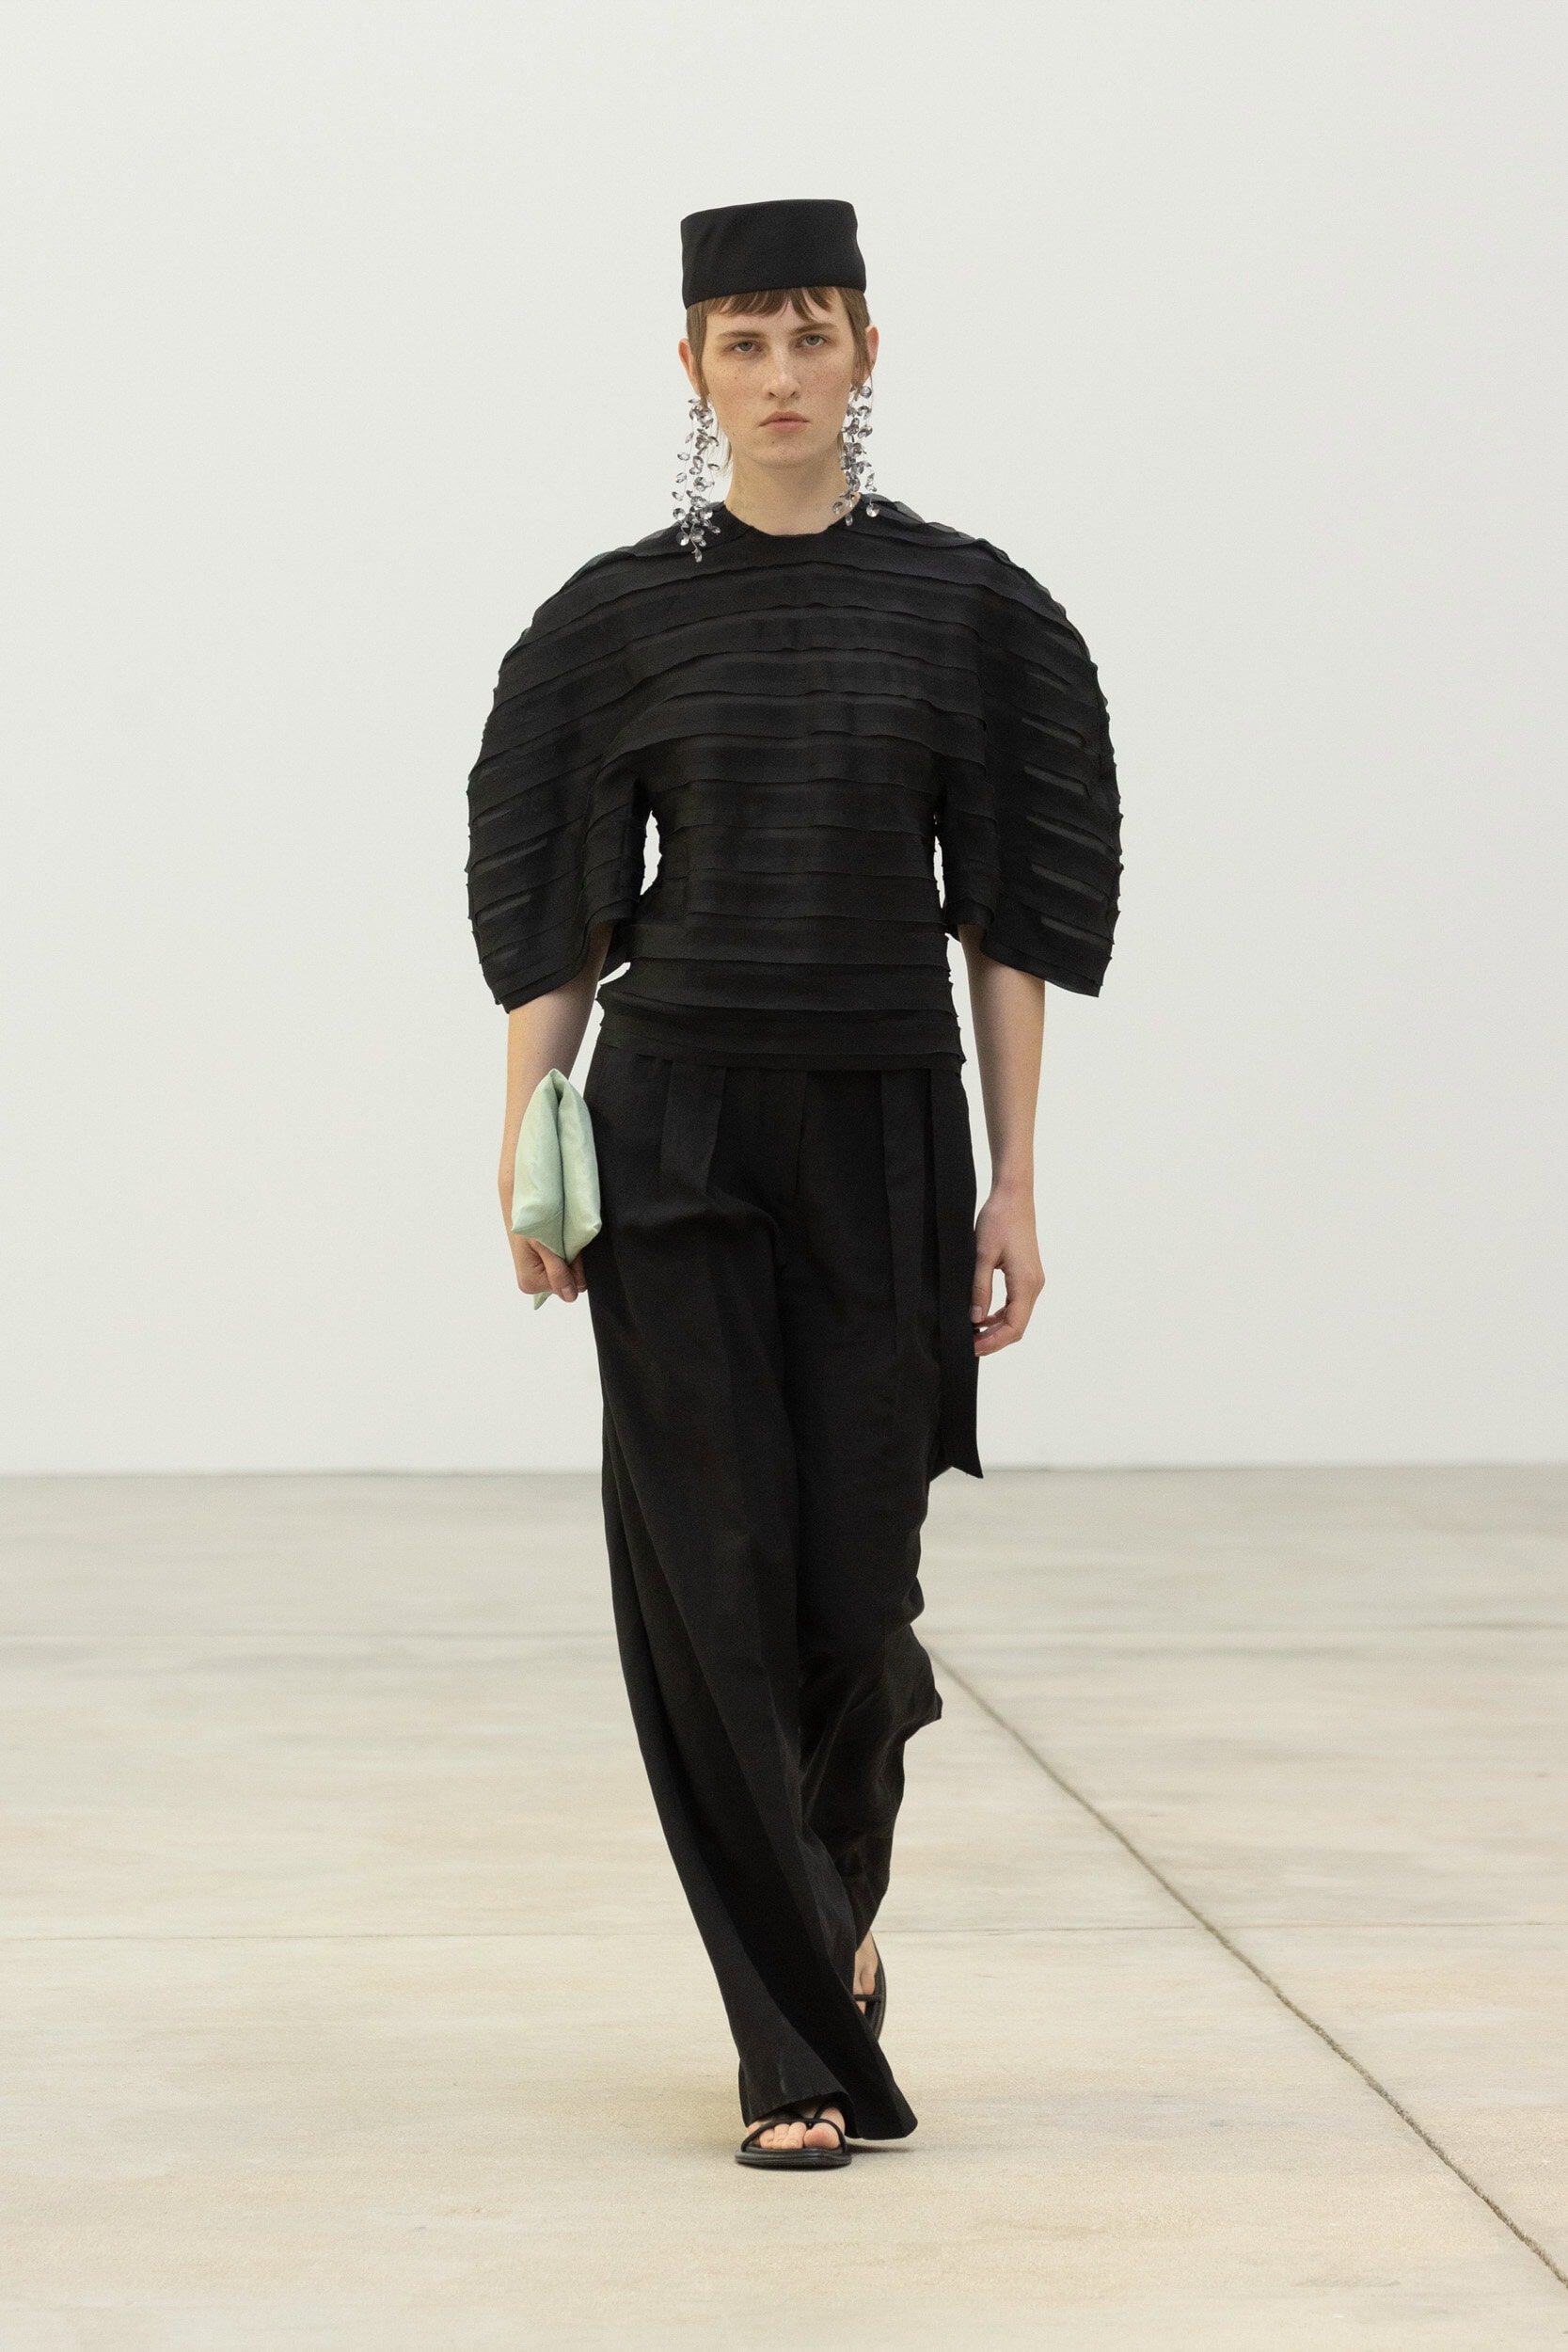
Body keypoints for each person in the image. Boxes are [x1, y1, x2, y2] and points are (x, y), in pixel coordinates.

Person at [466, 199, 1120, 2169]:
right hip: (673, 1131)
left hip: (887, 1129)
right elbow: (562, 909)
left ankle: (832, 1923)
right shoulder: (615, 619)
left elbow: (1009, 914)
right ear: (691, 367)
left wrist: (1017, 1181)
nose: (777, 374)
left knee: (856, 1590)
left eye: (808, 334)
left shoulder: (967, 609)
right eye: (741, 341)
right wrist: (530, 1142)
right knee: (712, 1580)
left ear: (866, 354)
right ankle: (795, 2050)